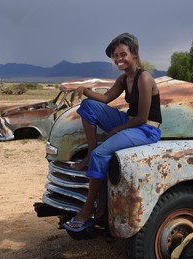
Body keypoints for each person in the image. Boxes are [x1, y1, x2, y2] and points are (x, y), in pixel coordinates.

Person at [63, 33, 162, 232]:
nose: (118, 59)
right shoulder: (124, 79)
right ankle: (90, 153)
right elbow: (106, 98)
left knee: (103, 153)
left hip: (147, 129)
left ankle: (88, 210)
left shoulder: (144, 78)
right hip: (131, 122)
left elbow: (142, 117)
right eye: (115, 56)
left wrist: (115, 130)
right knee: (88, 106)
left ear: (134, 53)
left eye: (122, 54)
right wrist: (84, 90)